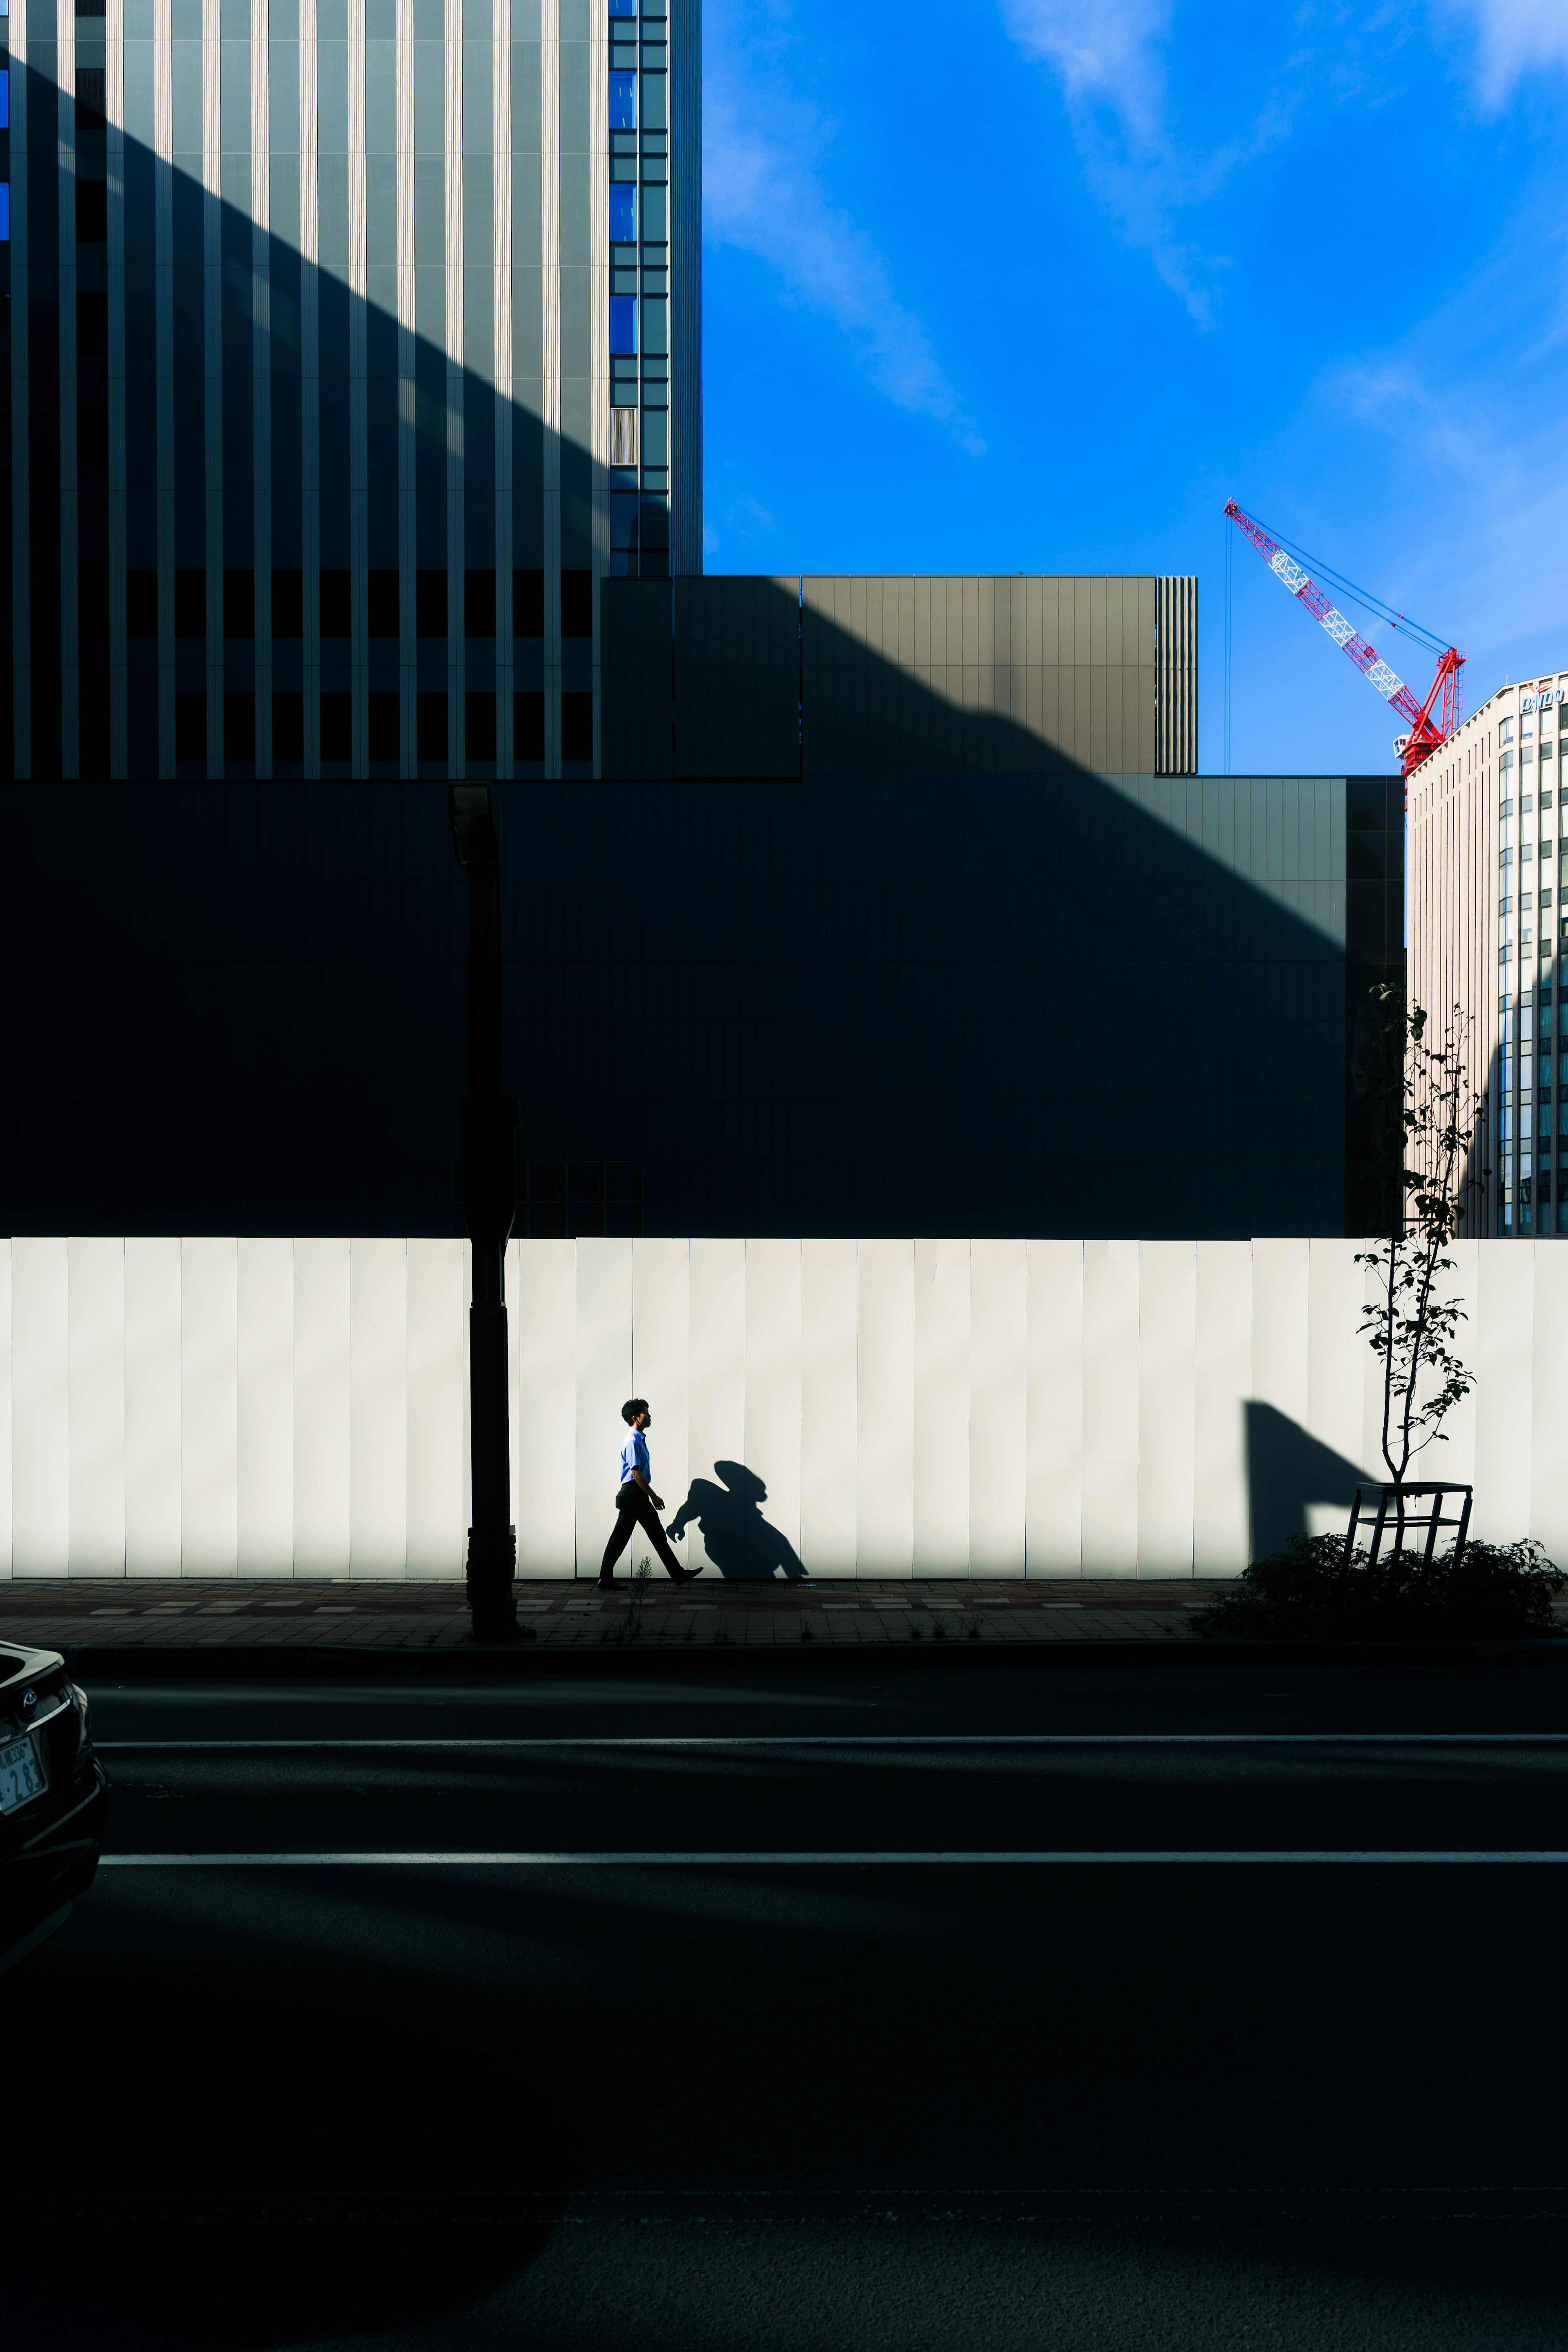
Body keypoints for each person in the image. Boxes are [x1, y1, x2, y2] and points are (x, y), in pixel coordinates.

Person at [598, 1399, 703, 1588]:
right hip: (633, 1495)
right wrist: (653, 1496)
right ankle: (605, 1578)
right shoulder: (632, 1442)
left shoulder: (639, 1440)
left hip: (638, 1495)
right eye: (645, 1412)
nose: (649, 1415)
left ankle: (678, 1574)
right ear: (636, 1418)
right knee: (620, 1538)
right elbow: (636, 1473)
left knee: (657, 1535)